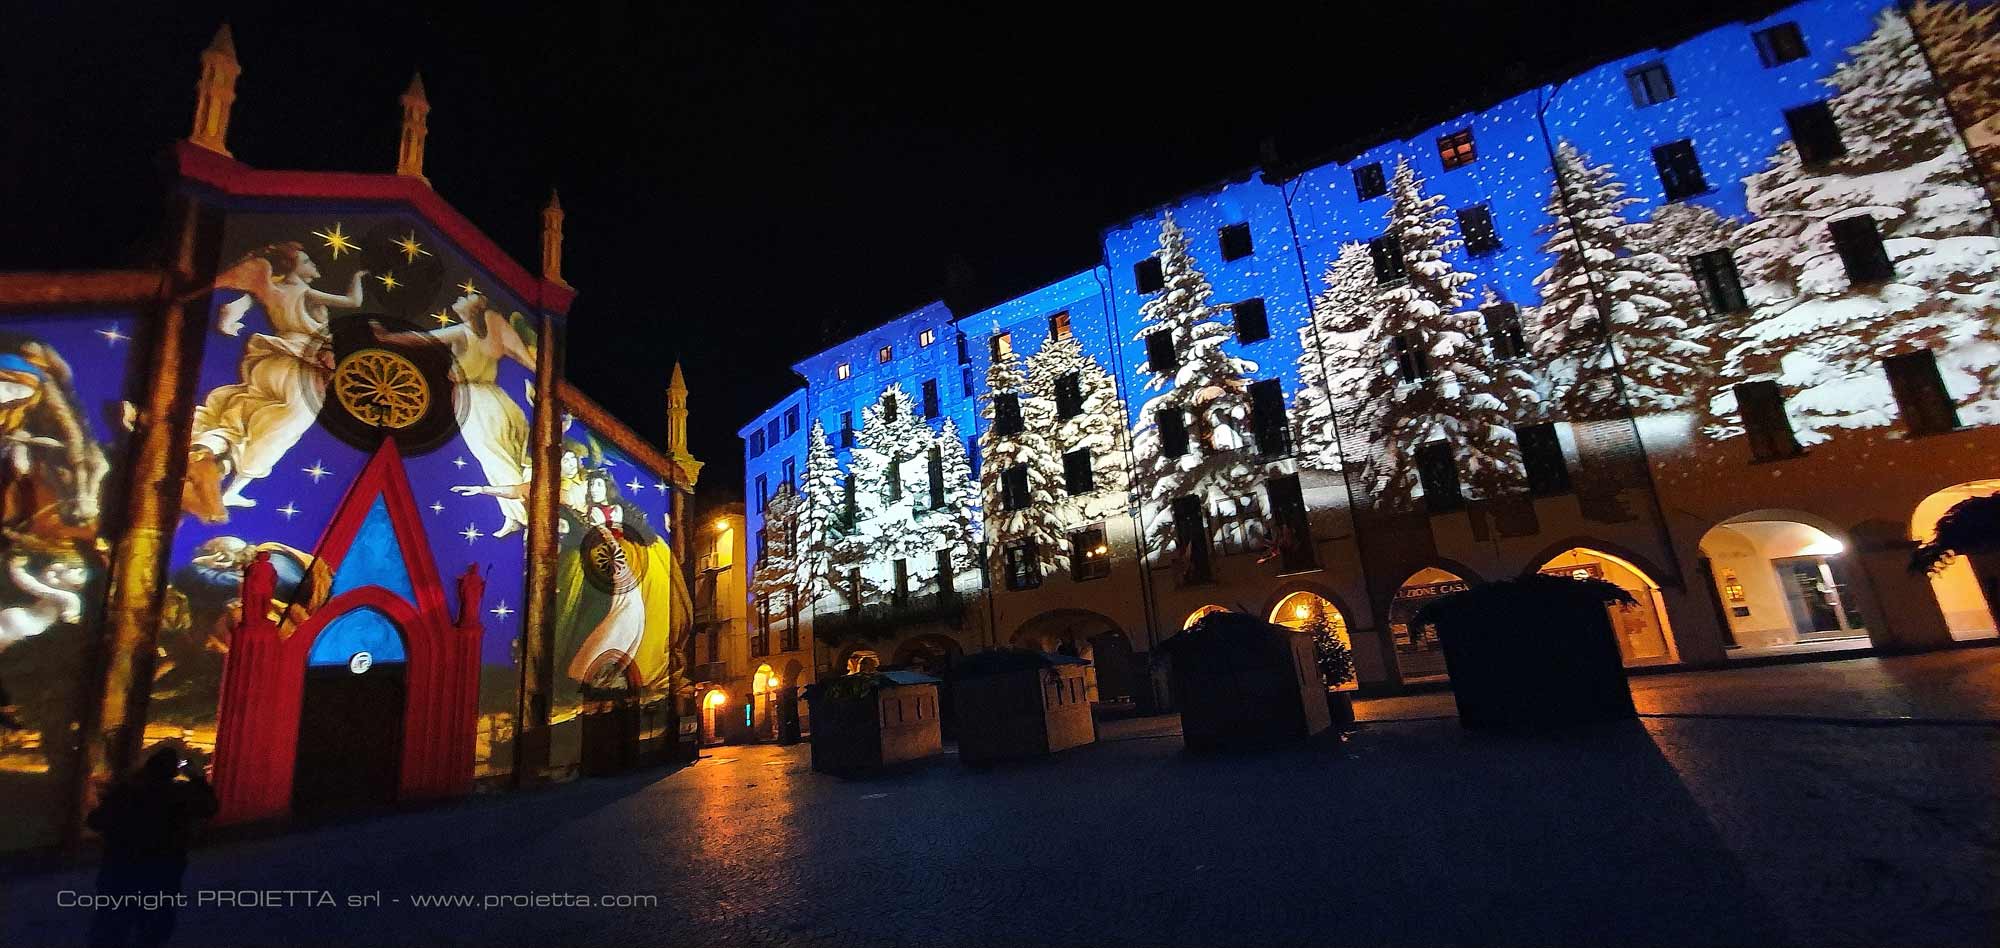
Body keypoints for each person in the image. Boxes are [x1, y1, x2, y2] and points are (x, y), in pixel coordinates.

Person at [185, 243, 367, 521]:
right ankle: (234, 488)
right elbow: (353, 302)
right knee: (283, 429)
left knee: (246, 412)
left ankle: (204, 451)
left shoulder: (272, 290)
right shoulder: (304, 292)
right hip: (299, 366)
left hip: (271, 362)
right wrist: (358, 277)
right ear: (294, 267)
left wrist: (231, 316)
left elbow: (241, 302)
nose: (313, 266)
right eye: (307, 261)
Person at [86, 742, 218, 947]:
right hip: (162, 873)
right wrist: (197, 778)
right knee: (153, 929)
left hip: (120, 871)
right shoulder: (179, 796)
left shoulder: (126, 793)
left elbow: (95, 821)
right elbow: (209, 807)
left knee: (111, 926)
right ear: (174, 771)